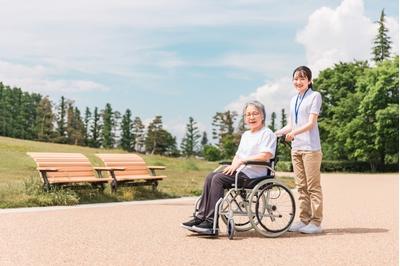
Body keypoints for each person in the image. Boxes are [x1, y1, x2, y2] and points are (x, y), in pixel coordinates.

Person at [181, 100, 277, 235]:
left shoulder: (267, 133)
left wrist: (242, 161)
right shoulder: (246, 135)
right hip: (241, 172)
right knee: (211, 176)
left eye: (255, 114)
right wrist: (233, 166)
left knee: (218, 179)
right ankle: (200, 217)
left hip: (255, 175)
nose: (251, 117)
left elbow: (266, 155)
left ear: (262, 116)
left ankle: (210, 223)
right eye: (248, 115)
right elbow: (238, 155)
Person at [275, 66, 323, 234]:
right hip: (296, 148)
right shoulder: (293, 99)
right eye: (296, 78)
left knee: (313, 187)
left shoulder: (315, 96)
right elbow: (290, 125)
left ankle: (316, 223)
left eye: (302, 78)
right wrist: (274, 133)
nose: (298, 81)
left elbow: (311, 123)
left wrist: (294, 133)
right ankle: (304, 220)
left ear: (309, 81)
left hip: (311, 149)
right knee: (301, 187)